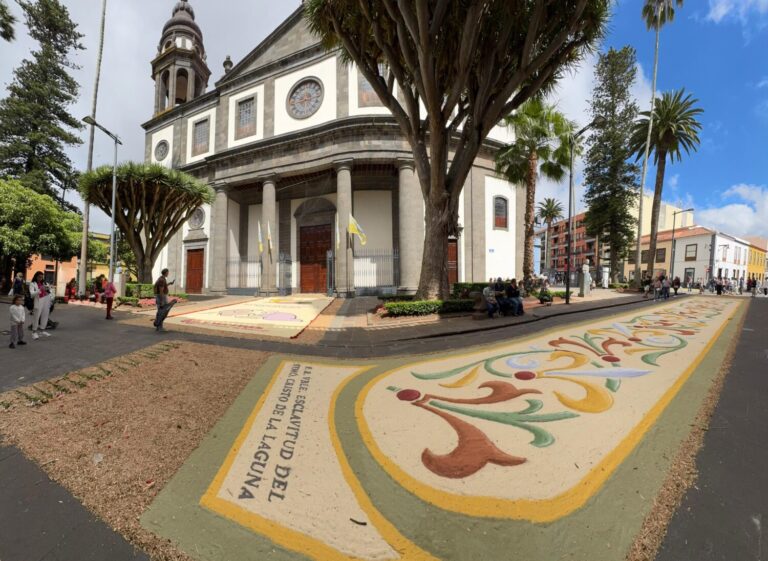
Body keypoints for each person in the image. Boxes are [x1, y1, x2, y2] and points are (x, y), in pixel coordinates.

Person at [29, 272, 51, 340]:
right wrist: (40, 290)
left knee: (45, 315)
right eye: (39, 277)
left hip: (46, 299)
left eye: (41, 277)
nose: (40, 278)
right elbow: (32, 294)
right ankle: (34, 332)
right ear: (36, 276)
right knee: (36, 316)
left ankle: (42, 330)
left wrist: (48, 289)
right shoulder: (32, 284)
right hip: (38, 300)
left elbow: (49, 292)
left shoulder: (44, 283)